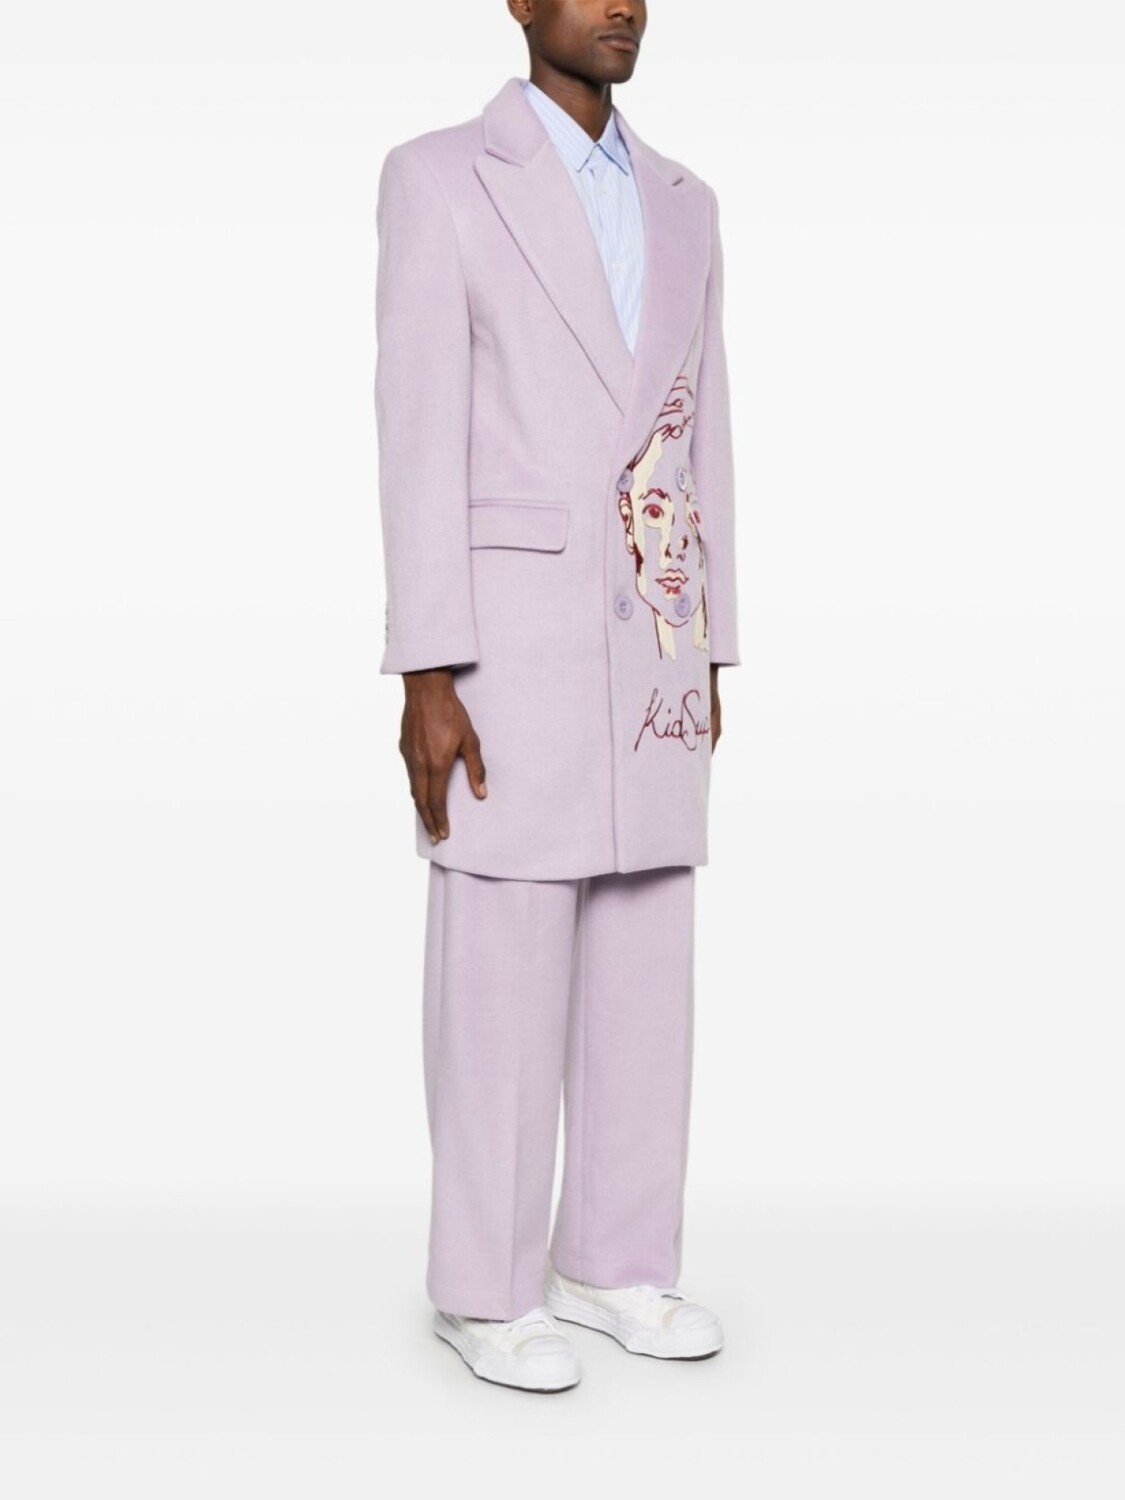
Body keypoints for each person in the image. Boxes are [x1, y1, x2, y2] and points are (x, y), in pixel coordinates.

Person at [373, 0, 740, 1392]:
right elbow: (416, 428)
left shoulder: (688, 203)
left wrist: (709, 643)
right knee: (503, 957)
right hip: (504, 638)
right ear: (520, 2)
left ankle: (616, 1259)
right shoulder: (438, 178)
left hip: (654, 638)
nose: (621, 5)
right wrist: (426, 666)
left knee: (647, 946)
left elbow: (703, 431)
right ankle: (483, 1286)